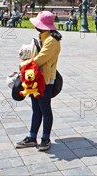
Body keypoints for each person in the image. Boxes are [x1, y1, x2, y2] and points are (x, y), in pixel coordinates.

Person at [16, 11, 62, 151]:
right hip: (35, 78)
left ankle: (46, 138)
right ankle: (31, 137)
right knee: (36, 109)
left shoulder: (52, 41)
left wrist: (23, 65)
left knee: (45, 109)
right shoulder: (43, 37)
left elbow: (41, 59)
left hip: (46, 80)